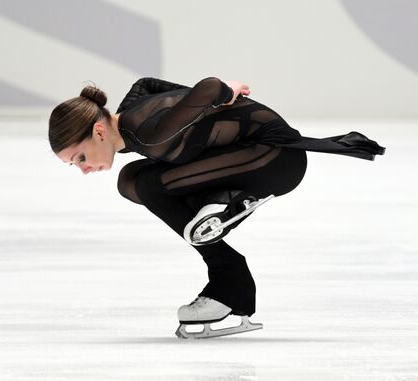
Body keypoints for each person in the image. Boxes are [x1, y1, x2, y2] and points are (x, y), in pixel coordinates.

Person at [48, 76, 385, 339]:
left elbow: (208, 87)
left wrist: (225, 93)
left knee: (148, 184)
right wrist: (198, 107)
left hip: (273, 159)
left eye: (80, 157)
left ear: (99, 131)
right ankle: (223, 238)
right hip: (243, 156)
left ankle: (226, 222)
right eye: (74, 165)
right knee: (131, 179)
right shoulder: (128, 118)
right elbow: (146, 84)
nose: (83, 169)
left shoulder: (150, 135)